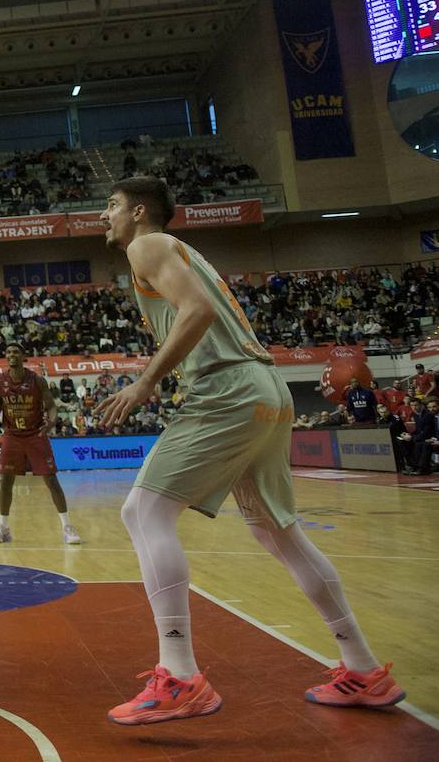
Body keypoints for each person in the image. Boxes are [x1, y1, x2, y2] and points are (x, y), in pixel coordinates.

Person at [95, 176, 402, 725]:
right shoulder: (183, 251)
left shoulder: (148, 244)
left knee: (142, 511)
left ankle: (181, 676)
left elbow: (197, 312)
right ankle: (363, 668)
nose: (105, 216)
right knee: (276, 531)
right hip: (267, 389)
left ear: (140, 212)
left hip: (227, 388)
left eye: (113, 205)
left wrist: (144, 383)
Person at [0, 342, 81, 545]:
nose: (11, 355)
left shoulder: (37, 380)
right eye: (8, 352)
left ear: (23, 355)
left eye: (16, 352)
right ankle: (3, 528)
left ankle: (67, 527)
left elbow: (51, 406)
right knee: (6, 482)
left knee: (51, 480)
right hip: (12, 435)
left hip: (35, 434)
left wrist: (52, 422)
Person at [377, 404, 412, 475]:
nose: (383, 414)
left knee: (399, 443)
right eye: (381, 413)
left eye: (385, 412)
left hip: (401, 436)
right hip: (388, 439)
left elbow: (399, 431)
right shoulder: (380, 421)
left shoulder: (395, 418)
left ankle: (406, 465)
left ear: (388, 411)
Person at [411, 397, 439, 476]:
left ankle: (423, 469)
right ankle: (417, 466)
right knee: (419, 444)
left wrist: (436, 440)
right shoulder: (433, 417)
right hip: (435, 439)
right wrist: (433, 439)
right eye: (429, 407)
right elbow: (434, 432)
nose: (431, 409)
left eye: (434, 406)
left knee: (426, 444)